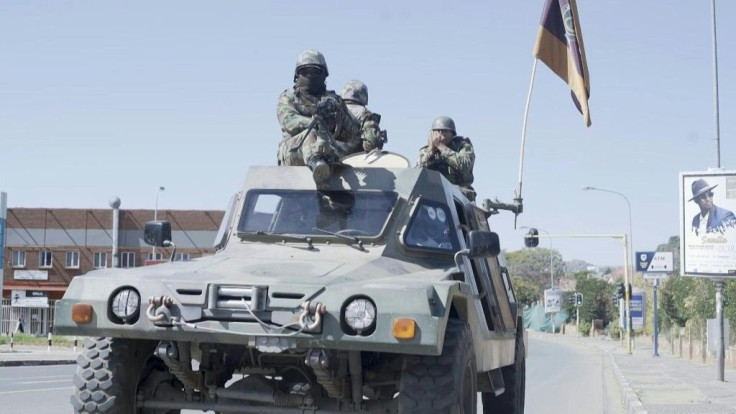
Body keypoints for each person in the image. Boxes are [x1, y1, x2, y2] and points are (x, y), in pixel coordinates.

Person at [277, 49, 361, 186]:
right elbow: (288, 121)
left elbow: (352, 134)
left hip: (329, 149)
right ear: (297, 75)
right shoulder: (288, 97)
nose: (310, 75)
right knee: (313, 134)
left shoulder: (334, 101)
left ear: (324, 74)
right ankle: (318, 164)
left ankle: (325, 165)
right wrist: (315, 122)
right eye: (305, 71)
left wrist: (335, 123)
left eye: (315, 71)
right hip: (294, 151)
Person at [417, 116, 476, 201]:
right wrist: (431, 151)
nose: (440, 134)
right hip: (434, 195)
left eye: (444, 131)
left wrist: (441, 146)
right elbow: (418, 172)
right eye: (436, 131)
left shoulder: (462, 146)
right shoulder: (426, 151)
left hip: (459, 197)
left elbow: (464, 165)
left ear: (452, 134)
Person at [340, 80, 386, 155]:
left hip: (328, 163)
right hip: (353, 163)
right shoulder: (365, 114)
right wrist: (379, 141)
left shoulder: (334, 110)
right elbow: (371, 144)